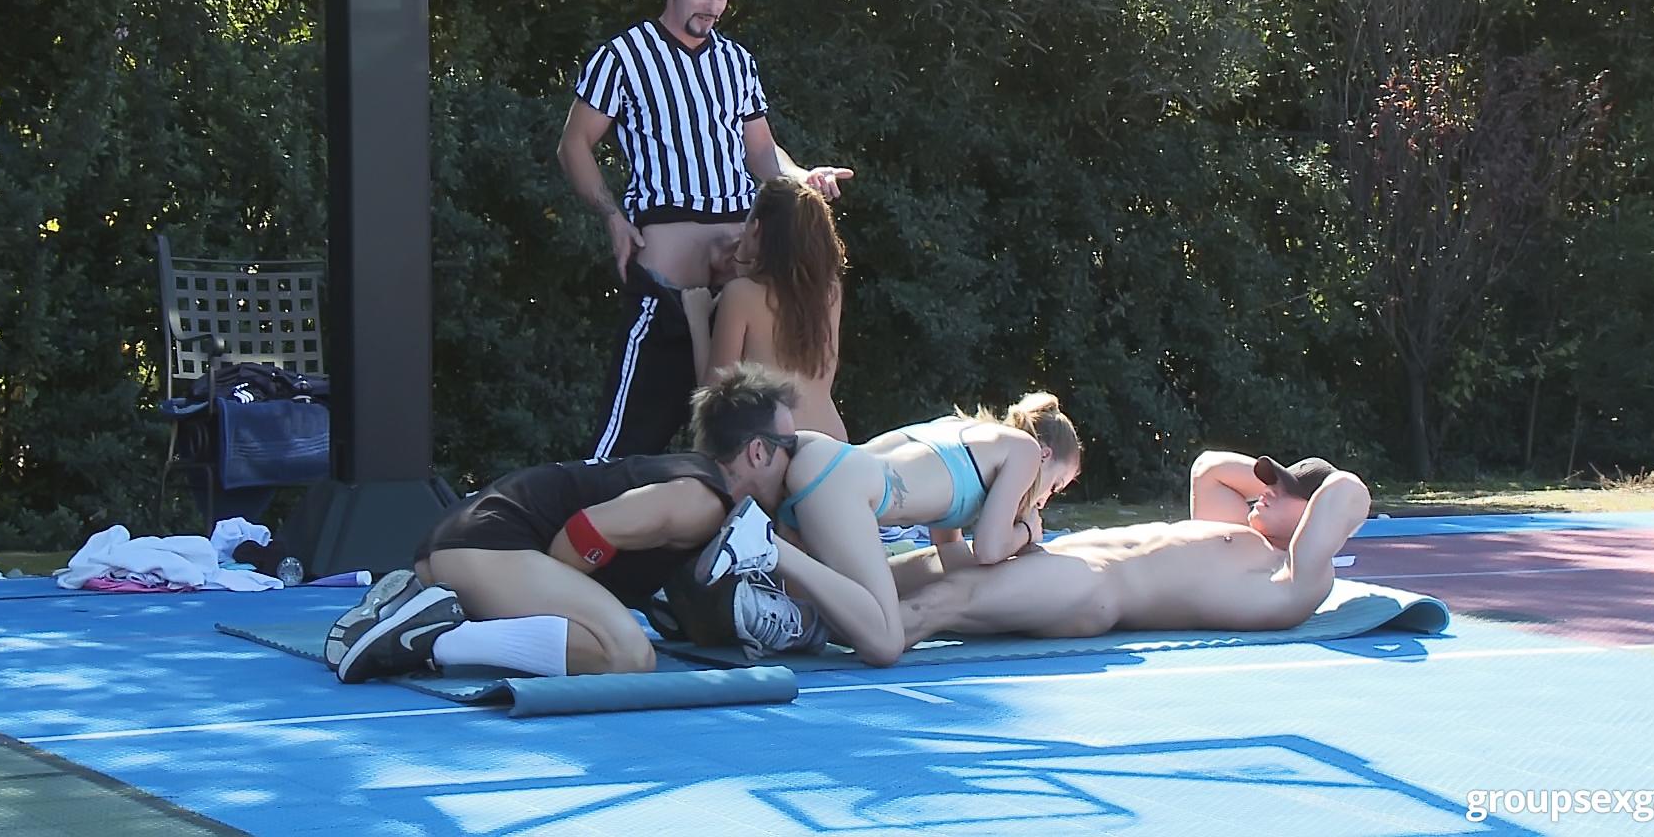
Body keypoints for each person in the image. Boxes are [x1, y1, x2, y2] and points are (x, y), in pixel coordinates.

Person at [322, 364, 825, 683]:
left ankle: (430, 608)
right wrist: (564, 609)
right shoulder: (699, 499)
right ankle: (435, 636)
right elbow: (585, 533)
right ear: (757, 452)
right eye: (791, 447)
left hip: (469, 545)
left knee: (618, 640)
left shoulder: (695, 488)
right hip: (485, 548)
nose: (796, 459)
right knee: (625, 654)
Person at [557, 0, 854, 460]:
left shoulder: (737, 61)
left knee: (750, 432)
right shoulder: (624, 56)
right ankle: (587, 500)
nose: (712, 6)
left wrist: (801, 177)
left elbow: (761, 150)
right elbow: (574, 144)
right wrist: (612, 216)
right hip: (670, 274)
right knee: (626, 437)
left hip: (740, 271)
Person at [681, 394, 1084, 666]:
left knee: (817, 611)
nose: (1044, 500)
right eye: (1054, 485)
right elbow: (990, 549)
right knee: (885, 643)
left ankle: (727, 591)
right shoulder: (1025, 451)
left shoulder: (965, 433)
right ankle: (767, 546)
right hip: (838, 484)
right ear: (1046, 454)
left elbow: (954, 559)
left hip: (821, 463)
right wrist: (1028, 531)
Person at [887, 455, 1371, 647]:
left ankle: (844, 630)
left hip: (1089, 584)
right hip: (1047, 555)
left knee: (933, 605)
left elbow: (1349, 490)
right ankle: (836, 607)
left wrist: (1315, 496)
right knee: (881, 576)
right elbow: (1209, 468)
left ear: (1316, 514)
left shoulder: (1294, 578)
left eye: (1285, 491)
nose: (1266, 491)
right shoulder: (1236, 530)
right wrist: (1284, 485)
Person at [682, 175, 849, 440]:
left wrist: (698, 320)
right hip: (833, 443)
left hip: (778, 446)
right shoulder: (830, 291)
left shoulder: (740, 295)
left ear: (756, 228)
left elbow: (714, 399)